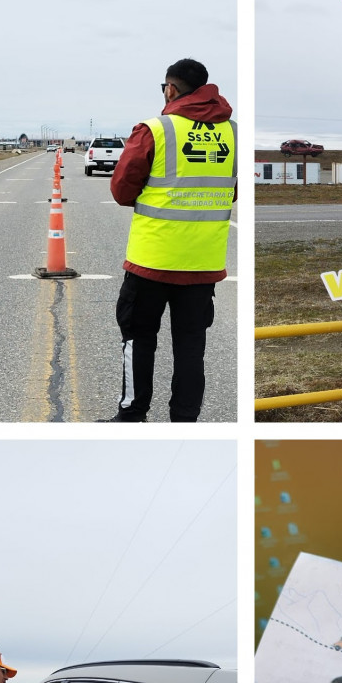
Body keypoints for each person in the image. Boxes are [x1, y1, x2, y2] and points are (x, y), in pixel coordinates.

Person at [103, 58, 237, 422]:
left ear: (171, 89)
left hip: (152, 261)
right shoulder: (233, 133)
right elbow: (232, 191)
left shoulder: (155, 129)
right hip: (203, 264)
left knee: (138, 338)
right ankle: (185, 421)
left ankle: (132, 415)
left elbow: (121, 189)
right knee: (191, 348)